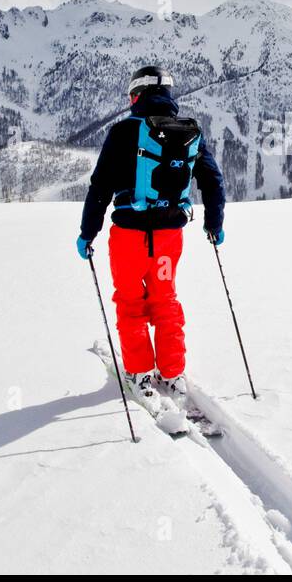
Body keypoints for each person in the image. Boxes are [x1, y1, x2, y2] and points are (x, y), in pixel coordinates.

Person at [76, 66, 225, 402]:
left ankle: (140, 373)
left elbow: (99, 187)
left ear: (137, 95)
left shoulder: (123, 132)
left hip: (128, 236)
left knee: (130, 303)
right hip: (169, 237)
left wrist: (88, 233)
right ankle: (173, 374)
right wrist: (214, 225)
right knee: (165, 299)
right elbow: (213, 181)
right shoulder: (188, 132)